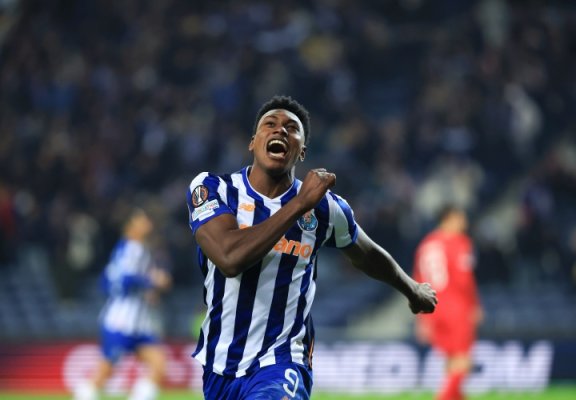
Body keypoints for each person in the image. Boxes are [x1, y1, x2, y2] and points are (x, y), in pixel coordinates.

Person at [186, 95, 438, 399]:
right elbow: (229, 257)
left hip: (282, 360)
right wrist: (298, 205)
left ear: (301, 151)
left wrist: (412, 289)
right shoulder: (213, 189)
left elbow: (366, 254)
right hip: (219, 365)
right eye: (270, 124)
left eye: (292, 128)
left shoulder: (325, 208)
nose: (280, 130)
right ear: (253, 142)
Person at [73, 208, 172, 400]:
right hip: (121, 321)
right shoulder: (133, 249)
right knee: (105, 371)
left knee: (158, 363)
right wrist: (152, 280)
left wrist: (146, 291)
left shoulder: (126, 248)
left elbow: (105, 282)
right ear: (130, 225)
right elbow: (124, 279)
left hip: (139, 323)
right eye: (141, 220)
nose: (147, 223)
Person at [413, 206, 483, 400]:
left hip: (433, 308)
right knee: (463, 362)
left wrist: (422, 317)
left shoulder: (426, 244)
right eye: (461, 218)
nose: (464, 222)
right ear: (449, 218)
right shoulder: (460, 242)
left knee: (452, 362)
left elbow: (418, 281)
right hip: (456, 306)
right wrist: (474, 304)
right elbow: (464, 279)